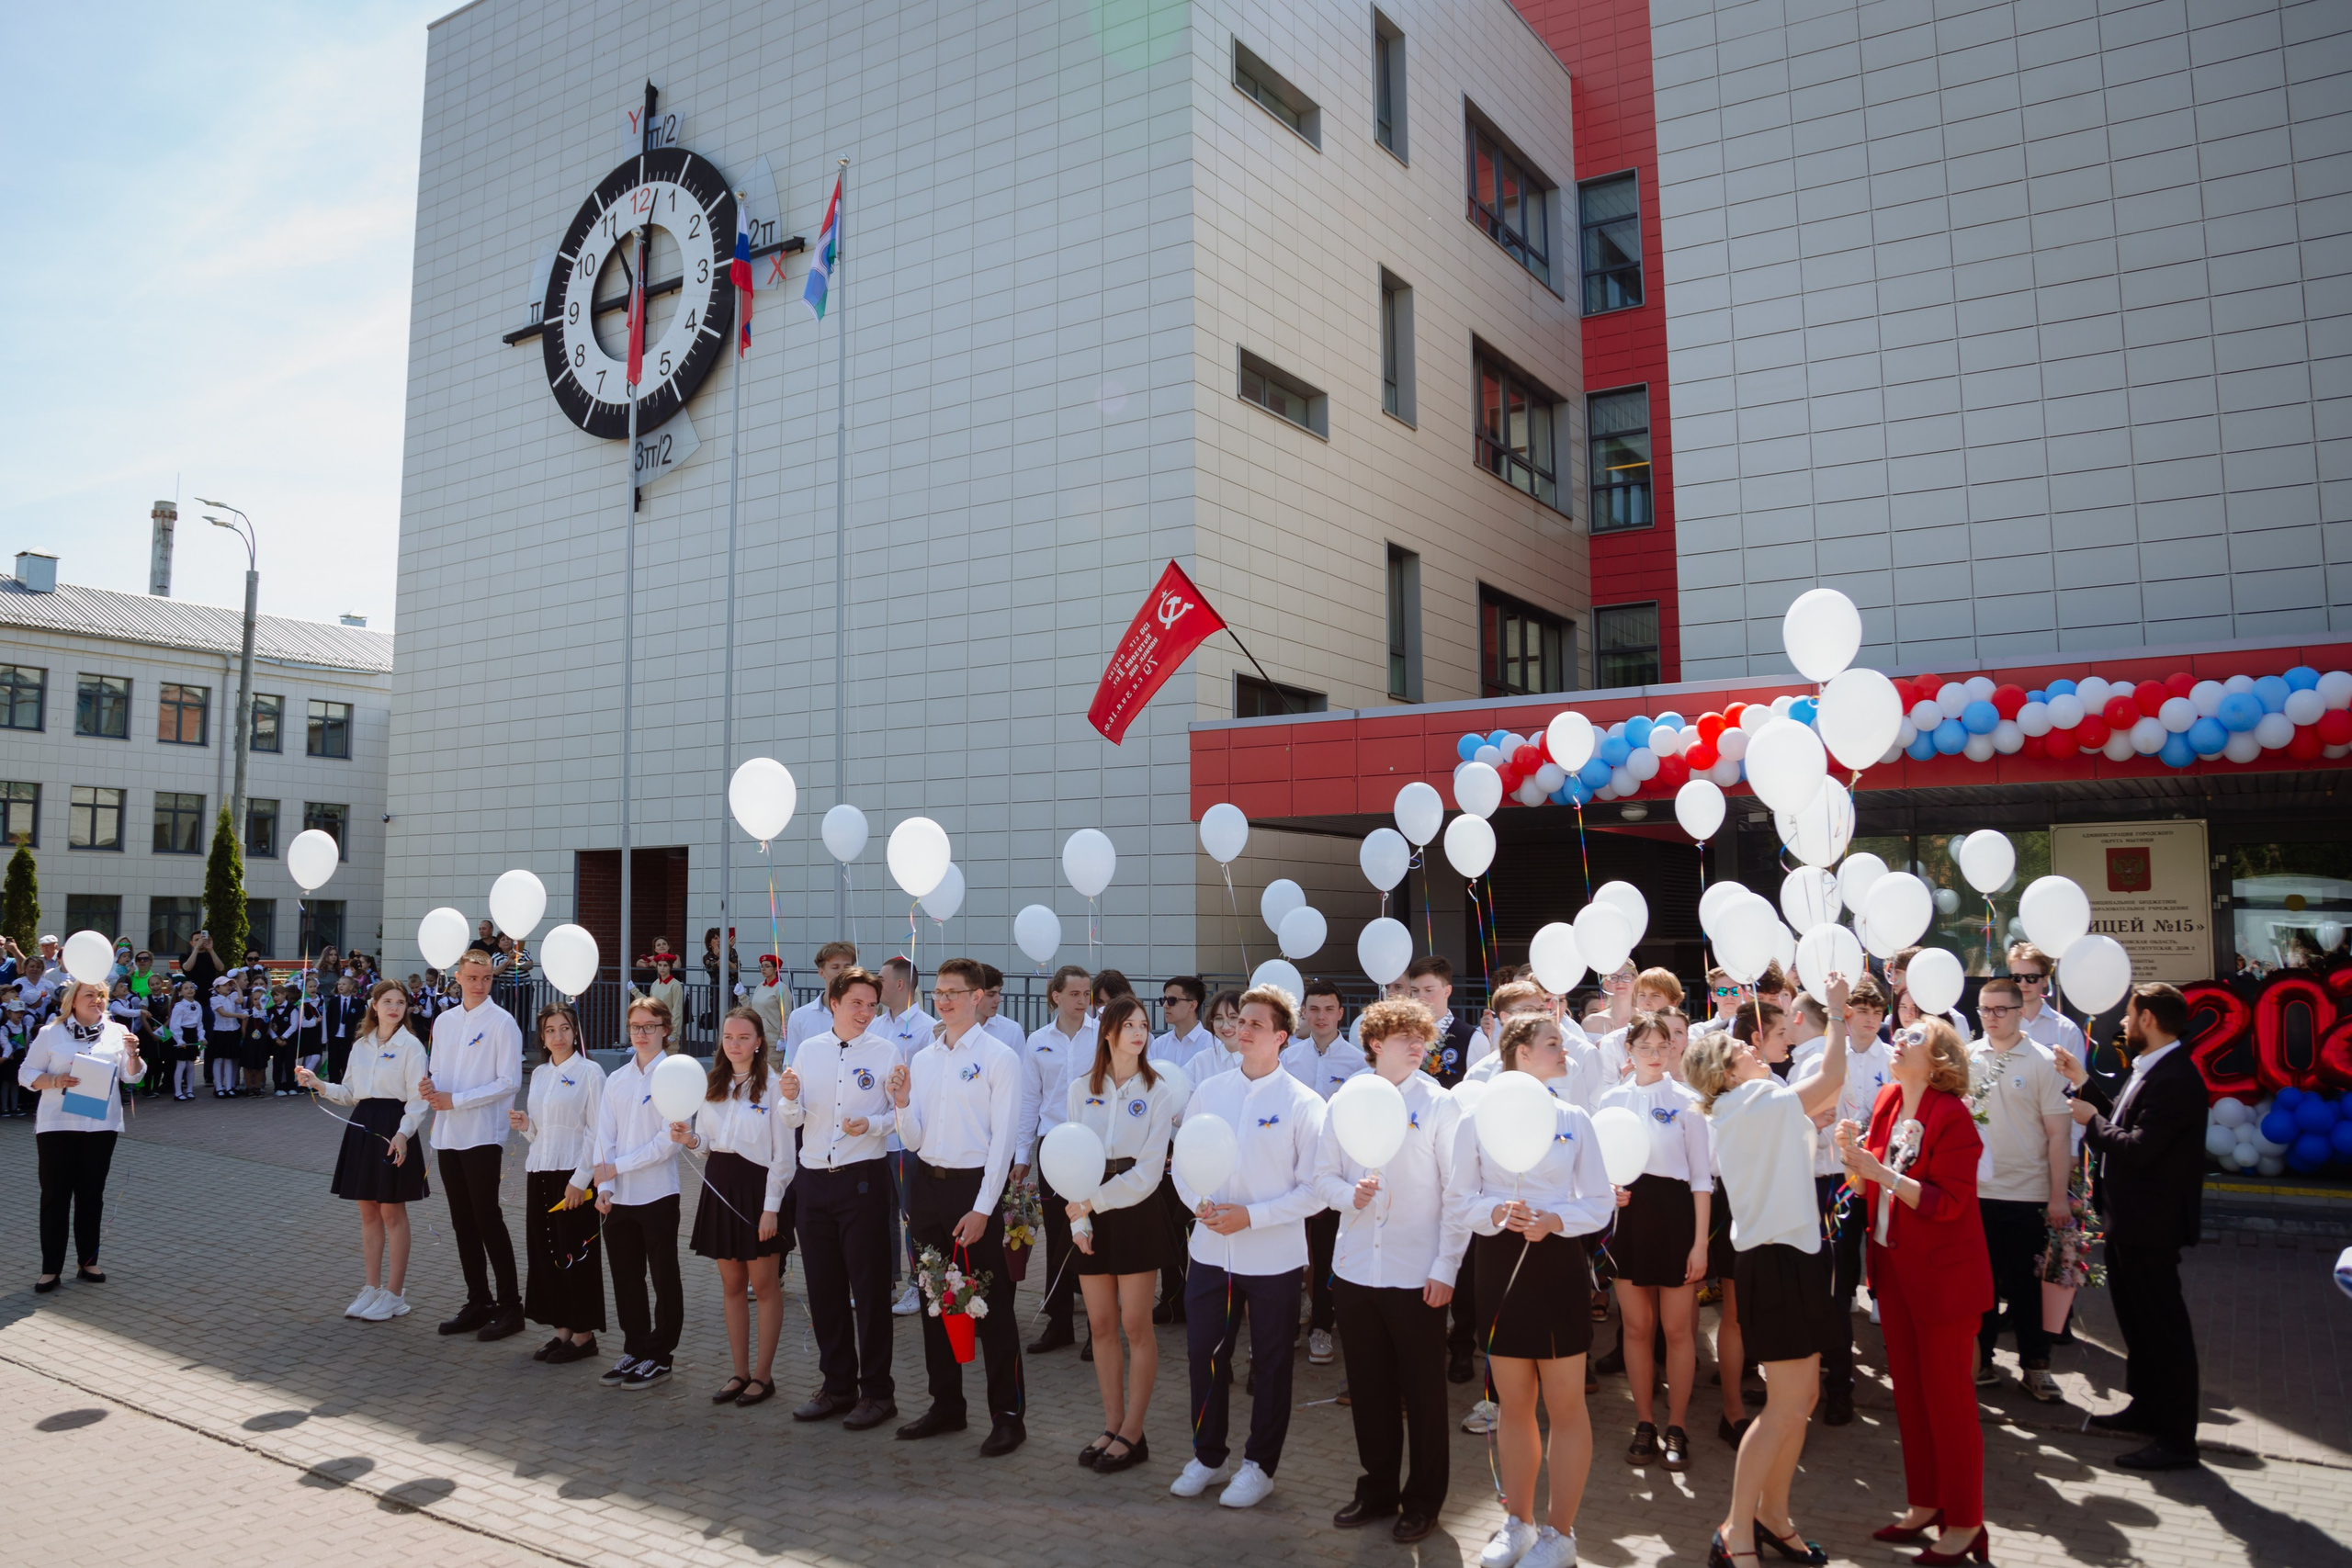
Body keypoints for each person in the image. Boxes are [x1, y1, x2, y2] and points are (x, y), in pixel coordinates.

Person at [1681, 974, 1852, 1568]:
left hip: (1793, 1256)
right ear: (1726, 1073)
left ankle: (1775, 1517)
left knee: (1802, 1397)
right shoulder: (1755, 1099)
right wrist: (1834, 1012)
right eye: (1741, 1048)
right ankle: (1735, 1530)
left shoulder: (1756, 1102)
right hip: (1776, 1263)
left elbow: (1810, 1112)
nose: (1752, 1046)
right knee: (1783, 1407)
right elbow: (1832, 1077)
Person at [1452, 1013, 1612, 1568]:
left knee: (1565, 1406)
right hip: (1497, 1263)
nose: (1565, 1050)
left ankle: (1560, 1534)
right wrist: (1497, 1211)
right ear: (1521, 1052)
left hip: (1558, 1265)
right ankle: (1517, 1524)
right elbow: (1458, 1200)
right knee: (1513, 1404)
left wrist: (1555, 1220)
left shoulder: (1574, 1117)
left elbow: (1599, 1202)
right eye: (1553, 1043)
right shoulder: (1474, 1118)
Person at [1833, 1016, 1993, 1565]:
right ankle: (1926, 1503)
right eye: (1900, 1034)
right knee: (1911, 1398)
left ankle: (1966, 1523)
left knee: (1949, 1403)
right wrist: (1851, 1159)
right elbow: (1864, 1187)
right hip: (1894, 1271)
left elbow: (1949, 1203)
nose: (1898, 1040)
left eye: (1914, 1037)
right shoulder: (1888, 1100)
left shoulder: (1952, 1117)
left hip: (1944, 1280)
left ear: (1940, 1060)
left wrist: (1881, 1173)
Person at [1312, 998, 1466, 1544]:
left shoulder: (1440, 1104)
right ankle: (1377, 1489)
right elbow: (1322, 1177)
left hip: (1417, 1274)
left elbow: (1458, 1194)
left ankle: (1424, 1501)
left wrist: (1446, 1266)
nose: (1419, 1044)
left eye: (1422, 1036)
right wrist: (1347, 1195)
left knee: (1423, 1396)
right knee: (1369, 1390)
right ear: (1376, 1044)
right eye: (1406, 1036)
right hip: (1355, 1271)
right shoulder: (1346, 1100)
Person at [1170, 983, 1327, 1510]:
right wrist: (1198, 1203)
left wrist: (1251, 1217)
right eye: (1241, 1021)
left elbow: (1314, 1191)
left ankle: (1260, 1466)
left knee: (1272, 1364)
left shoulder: (1303, 1103)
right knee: (1204, 1356)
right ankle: (1208, 1456)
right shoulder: (1209, 1092)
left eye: (1257, 1023)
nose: (1243, 1029)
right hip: (1211, 1253)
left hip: (1273, 1259)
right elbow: (1184, 1162)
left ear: (1281, 1037)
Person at [2055, 982, 2206, 1472]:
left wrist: (2090, 1121)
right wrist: (2083, 1083)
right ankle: (2147, 1408)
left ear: (2148, 1020)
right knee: (2138, 1324)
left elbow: (2138, 1148)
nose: (2122, 1022)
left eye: (2129, 1014)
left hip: (2152, 1226)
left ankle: (2177, 1439)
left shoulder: (2175, 1078)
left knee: (2163, 1329)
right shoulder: (2152, 1068)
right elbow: (2122, 1121)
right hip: (2129, 1222)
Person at [889, 955, 1026, 1455]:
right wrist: (903, 1103)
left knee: (992, 1307)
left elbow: (1003, 1143)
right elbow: (913, 1139)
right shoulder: (924, 1059)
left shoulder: (998, 1057)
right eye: (939, 992)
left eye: (954, 992)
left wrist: (984, 1209)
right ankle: (946, 1404)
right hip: (927, 1188)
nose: (943, 1000)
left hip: (975, 1192)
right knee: (934, 1298)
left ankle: (1008, 1415)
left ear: (977, 997)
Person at [782, 966, 905, 1428]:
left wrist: (871, 1125)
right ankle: (837, 1386)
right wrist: (788, 1098)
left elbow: (899, 1115)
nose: (865, 1012)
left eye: (871, 1005)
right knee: (824, 1289)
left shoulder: (886, 1051)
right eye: (856, 1003)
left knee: (870, 1291)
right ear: (833, 1003)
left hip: (862, 1181)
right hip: (813, 1181)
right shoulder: (809, 1050)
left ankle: (878, 1393)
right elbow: (792, 1118)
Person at [1064, 994, 1181, 1474]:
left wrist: (1092, 1203)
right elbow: (1071, 1156)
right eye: (1129, 1025)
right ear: (1108, 1032)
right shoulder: (1080, 1089)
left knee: (1136, 1325)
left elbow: (1149, 1173)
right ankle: (1112, 1425)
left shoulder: (1158, 1091)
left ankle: (1134, 1430)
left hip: (1134, 1212)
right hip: (1088, 1210)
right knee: (1101, 1325)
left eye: (1144, 1026)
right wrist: (1078, 1219)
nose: (1139, 1033)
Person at [1599, 1011, 1713, 1473]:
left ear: (1673, 1049)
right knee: (1636, 1328)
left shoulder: (1688, 1102)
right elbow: (1598, 1168)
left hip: (1675, 1220)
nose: (1653, 1055)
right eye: (1644, 1047)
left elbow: (1701, 1179)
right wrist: (1609, 1191)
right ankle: (1644, 1422)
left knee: (1678, 1330)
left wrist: (1700, 1244)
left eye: (1661, 1047)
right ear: (1628, 1050)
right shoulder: (1610, 1100)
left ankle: (1678, 1426)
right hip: (1628, 1221)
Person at [683, 1005, 796, 1407]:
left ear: (759, 1042)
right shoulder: (713, 1083)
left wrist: (771, 1209)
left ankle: (763, 1376)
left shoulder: (775, 1087)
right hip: (719, 1188)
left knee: (763, 1287)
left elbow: (784, 1158)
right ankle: (739, 1372)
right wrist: (690, 1140)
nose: (735, 1044)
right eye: (728, 1037)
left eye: (743, 1037)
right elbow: (706, 1145)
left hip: (758, 1192)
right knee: (731, 1286)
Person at [1790, 978, 1891, 1427]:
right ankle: (1825, 1382)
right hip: (1824, 1179)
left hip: (1859, 1181)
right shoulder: (1822, 1056)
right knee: (1824, 1284)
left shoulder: (1888, 1059)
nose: (1869, 1018)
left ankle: (1838, 1383)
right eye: (1859, 1010)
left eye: (1876, 1011)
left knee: (1840, 1282)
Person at [297, 979, 428, 1322]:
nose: (394, 1008)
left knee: (392, 1212)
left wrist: (403, 1134)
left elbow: (417, 1100)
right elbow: (351, 1094)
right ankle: (371, 1288)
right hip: (363, 1126)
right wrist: (318, 1083)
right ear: (374, 1005)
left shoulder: (411, 1046)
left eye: (400, 1002)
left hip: (394, 1128)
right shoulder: (361, 1045)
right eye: (387, 1001)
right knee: (368, 1211)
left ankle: (395, 1294)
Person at [1969, 976, 2073, 1402]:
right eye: (1984, 1009)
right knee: (1981, 1287)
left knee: (2028, 1288)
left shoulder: (2042, 1061)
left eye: (2000, 1009)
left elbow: (2059, 1134)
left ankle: (2036, 1366)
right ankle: (1982, 1362)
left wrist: (2058, 1196)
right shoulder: (1967, 1057)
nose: (1991, 1018)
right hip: (1977, 1194)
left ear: (2019, 1011)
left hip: (2028, 1195)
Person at [421, 948, 526, 1342]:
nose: (479, 985)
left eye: (486, 979)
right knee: (462, 1220)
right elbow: (437, 1070)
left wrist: (457, 1100)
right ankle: (478, 1301)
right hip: (447, 1133)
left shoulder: (503, 1023)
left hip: (482, 1133)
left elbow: (509, 1082)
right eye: (472, 978)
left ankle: (511, 1306)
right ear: (458, 978)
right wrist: (430, 1087)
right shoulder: (445, 1021)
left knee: (487, 1217)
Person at [592, 996, 689, 1390]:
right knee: (626, 1277)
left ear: (666, 1029)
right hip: (618, 1198)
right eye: (635, 1027)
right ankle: (635, 1346)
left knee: (664, 1277)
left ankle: (660, 1355)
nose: (642, 1034)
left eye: (650, 1026)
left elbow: (668, 1144)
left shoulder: (676, 1076)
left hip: (657, 1194)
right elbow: (604, 1137)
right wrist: (605, 1185)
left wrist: (618, 1167)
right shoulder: (617, 1078)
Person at [20, 978, 142, 1292]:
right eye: (90, 994)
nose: (97, 1000)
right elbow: (26, 1073)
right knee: (55, 1197)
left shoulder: (117, 1032)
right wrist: (55, 1080)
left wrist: (133, 1054)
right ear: (72, 1000)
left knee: (91, 1196)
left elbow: (132, 1077)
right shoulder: (51, 1033)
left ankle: (88, 1261)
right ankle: (50, 1269)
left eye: (101, 995)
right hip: (57, 1125)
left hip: (100, 1126)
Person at [509, 1001, 606, 1365]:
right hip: (541, 1171)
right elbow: (542, 1133)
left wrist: (581, 1181)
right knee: (547, 1252)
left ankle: (584, 1335)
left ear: (575, 1031)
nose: (558, 1036)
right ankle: (563, 1328)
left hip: (574, 1176)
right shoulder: (539, 1074)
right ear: (542, 1036)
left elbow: (597, 1131)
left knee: (574, 1253)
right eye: (550, 1030)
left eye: (564, 1028)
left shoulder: (590, 1072)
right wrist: (527, 1126)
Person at [1282, 976, 1366, 1367]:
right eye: (1313, 1009)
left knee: (1327, 1250)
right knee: (1291, 1250)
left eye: (1329, 1009)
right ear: (1303, 1012)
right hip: (1292, 1170)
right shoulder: (1288, 1059)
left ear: (1341, 1014)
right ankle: (1285, 1326)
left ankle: (1321, 1326)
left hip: (1335, 1173)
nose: (1321, 1016)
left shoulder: (1358, 1063)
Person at [1017, 964, 1095, 1356]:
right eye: (1075, 994)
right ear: (1056, 996)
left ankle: (1099, 1329)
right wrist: (1022, 1155)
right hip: (1052, 1148)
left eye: (1087, 994)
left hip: (1094, 1149)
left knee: (1094, 1233)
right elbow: (1029, 1100)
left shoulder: (1104, 1035)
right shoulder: (1037, 1041)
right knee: (1058, 1235)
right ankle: (1059, 1322)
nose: (1082, 1001)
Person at [877, 955, 935, 1314]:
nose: (875, 984)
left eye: (881, 979)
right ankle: (884, 1283)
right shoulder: (876, 1024)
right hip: (877, 1137)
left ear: (900, 984)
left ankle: (919, 1284)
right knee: (880, 1215)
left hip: (907, 1140)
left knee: (912, 1214)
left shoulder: (928, 1028)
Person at [2006, 942, 2085, 1060]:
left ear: (2045, 981)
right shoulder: (1999, 1024)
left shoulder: (2067, 1030)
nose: (2023, 984)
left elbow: (2077, 1072)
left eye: (2031, 977)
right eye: (2017, 978)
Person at [1404, 956, 1474, 1088]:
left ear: (1447, 991)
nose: (1420, 997)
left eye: (1428, 990)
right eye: (1415, 991)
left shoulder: (1471, 1039)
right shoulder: (1401, 1035)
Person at [786, 942, 859, 1055]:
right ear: (821, 972)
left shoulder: (865, 1016)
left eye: (847, 967)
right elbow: (792, 1059)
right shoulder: (799, 1017)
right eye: (835, 967)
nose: (842, 972)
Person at [1153, 976, 1215, 1067]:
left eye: (1172, 1000)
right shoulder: (1159, 1045)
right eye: (1164, 1000)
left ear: (1192, 1006)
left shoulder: (1212, 1046)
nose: (1165, 1005)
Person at [166, 982, 204, 1100]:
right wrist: (179, 1040)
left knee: (191, 1064)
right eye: (186, 988)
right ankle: (178, 1092)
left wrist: (201, 1037)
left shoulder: (197, 1005)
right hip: (182, 1034)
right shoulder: (179, 1007)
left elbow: (199, 1024)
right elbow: (174, 1026)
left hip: (192, 1034)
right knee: (181, 1064)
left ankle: (190, 1090)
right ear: (181, 992)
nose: (190, 990)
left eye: (192, 987)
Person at [743, 953, 787, 1048]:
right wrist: (742, 995)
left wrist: (783, 1038)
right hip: (757, 1037)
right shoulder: (760, 986)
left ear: (775, 969)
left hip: (772, 1041)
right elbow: (752, 1010)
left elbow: (786, 1015)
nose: (763, 969)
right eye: (762, 966)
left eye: (767, 966)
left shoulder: (782, 988)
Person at [640, 957, 685, 1048]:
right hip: (656, 1028)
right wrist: (634, 991)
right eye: (660, 965)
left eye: (665, 965)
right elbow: (651, 1004)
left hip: (668, 1028)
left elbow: (677, 1010)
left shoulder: (675, 985)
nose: (662, 968)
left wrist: (674, 1032)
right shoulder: (655, 984)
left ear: (670, 967)